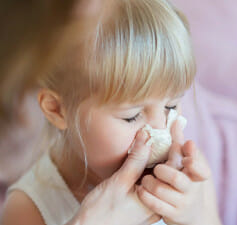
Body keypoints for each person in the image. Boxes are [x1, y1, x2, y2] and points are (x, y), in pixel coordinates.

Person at [1, 0, 221, 224]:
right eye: (131, 116)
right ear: (58, 110)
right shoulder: (27, 208)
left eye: (171, 107)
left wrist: (197, 218)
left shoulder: (187, 178)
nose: (161, 130)